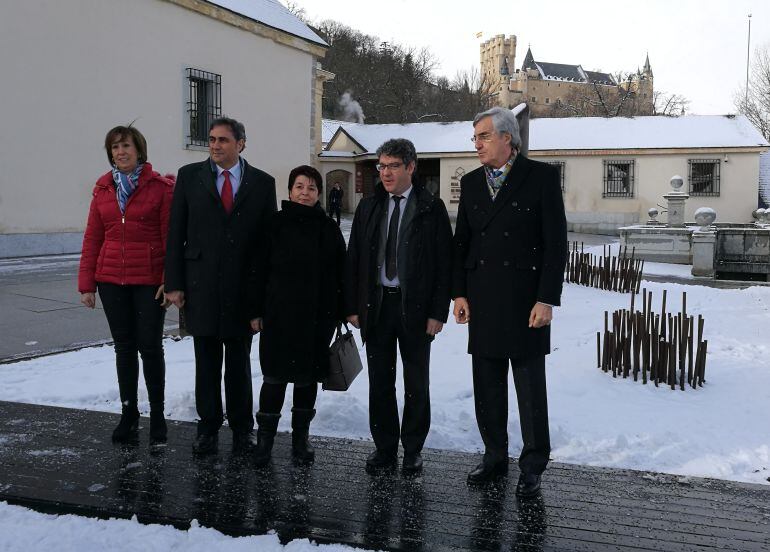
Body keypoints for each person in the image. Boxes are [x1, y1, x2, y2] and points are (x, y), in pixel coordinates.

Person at [451, 107, 568, 497]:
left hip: (525, 303)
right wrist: (459, 292)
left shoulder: (541, 177)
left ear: (507, 138)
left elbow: (555, 244)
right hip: (483, 298)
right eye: (475, 138)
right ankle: (494, 457)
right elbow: (462, 244)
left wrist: (547, 299)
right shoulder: (470, 184)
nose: (477, 144)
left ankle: (533, 463)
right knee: (487, 386)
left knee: (529, 389)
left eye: (483, 136)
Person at [164, 117, 277, 455]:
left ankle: (243, 429)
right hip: (202, 285)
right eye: (212, 139)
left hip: (243, 288)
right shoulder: (189, 177)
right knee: (206, 360)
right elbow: (176, 234)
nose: (215, 145)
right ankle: (208, 427)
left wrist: (262, 295)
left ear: (241, 144)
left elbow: (265, 243)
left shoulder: (261, 182)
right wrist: (174, 283)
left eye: (223, 140)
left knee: (239, 363)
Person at [345, 138, 452, 474]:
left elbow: (442, 265)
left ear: (411, 167)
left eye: (392, 166)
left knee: (416, 384)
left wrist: (437, 312)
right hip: (377, 307)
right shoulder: (369, 206)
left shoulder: (430, 208)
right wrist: (352, 306)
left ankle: (413, 450)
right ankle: (385, 448)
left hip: (416, 310)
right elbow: (355, 259)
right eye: (381, 166)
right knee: (380, 382)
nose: (385, 173)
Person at [78, 125, 173, 445]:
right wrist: (86, 284)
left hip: (148, 283)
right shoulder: (103, 189)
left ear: (139, 150)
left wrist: (167, 279)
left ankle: (157, 414)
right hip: (111, 282)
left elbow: (169, 239)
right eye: (115, 147)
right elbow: (93, 237)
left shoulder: (160, 188)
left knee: (150, 347)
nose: (120, 152)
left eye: (126, 146)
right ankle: (129, 412)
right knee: (124, 348)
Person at [251, 165, 346, 466]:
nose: (305, 193)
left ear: (319, 193)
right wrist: (255, 311)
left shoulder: (328, 229)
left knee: (306, 381)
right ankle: (264, 442)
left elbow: (339, 276)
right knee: (274, 378)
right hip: (278, 317)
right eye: (299, 186)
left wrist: (338, 313)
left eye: (312, 188)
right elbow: (257, 272)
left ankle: (299, 441)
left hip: (316, 319)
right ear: (290, 190)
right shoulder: (273, 225)